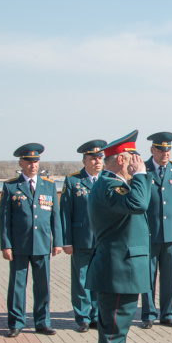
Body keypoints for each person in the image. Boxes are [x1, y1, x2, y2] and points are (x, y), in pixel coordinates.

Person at [87, 130, 152, 343]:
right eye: (133, 159)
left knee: (117, 336)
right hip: (118, 273)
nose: (137, 163)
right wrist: (141, 175)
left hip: (120, 272)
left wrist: (138, 178)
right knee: (113, 336)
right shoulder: (109, 185)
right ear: (123, 160)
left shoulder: (112, 184)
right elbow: (139, 204)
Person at [0, 143, 63, 337]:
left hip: (42, 243)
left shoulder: (49, 186)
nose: (33, 165)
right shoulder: (11, 186)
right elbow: (4, 219)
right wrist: (6, 245)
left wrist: (58, 241)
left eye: (36, 161)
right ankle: (16, 323)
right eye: (29, 161)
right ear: (21, 162)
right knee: (18, 286)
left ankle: (42, 322)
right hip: (19, 245)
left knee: (42, 286)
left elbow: (55, 216)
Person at [141, 132, 172, 329]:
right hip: (148, 232)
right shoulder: (142, 170)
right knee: (148, 275)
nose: (165, 154)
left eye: (168, 150)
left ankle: (167, 313)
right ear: (152, 150)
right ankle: (148, 314)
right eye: (161, 150)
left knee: (169, 275)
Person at [60, 139, 107, 332]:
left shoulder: (107, 179)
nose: (97, 161)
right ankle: (82, 317)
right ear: (84, 161)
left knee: (99, 280)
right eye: (93, 158)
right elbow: (65, 213)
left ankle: (96, 316)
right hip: (81, 239)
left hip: (103, 240)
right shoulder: (73, 181)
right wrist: (66, 242)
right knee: (81, 280)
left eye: (100, 157)